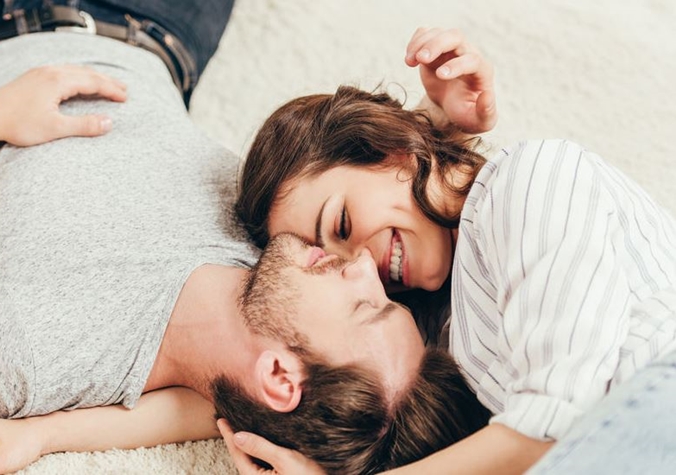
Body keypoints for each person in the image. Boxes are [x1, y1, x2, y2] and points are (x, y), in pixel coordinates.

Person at [0, 5, 490, 475]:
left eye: (366, 306)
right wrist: (447, 123)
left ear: (280, 375)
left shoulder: (20, 358)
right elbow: (212, 406)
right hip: (161, 27)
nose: (365, 269)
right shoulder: (277, 242)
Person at [226, 26, 676, 474]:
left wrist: (425, 130)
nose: (362, 266)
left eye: (342, 225)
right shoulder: (435, 325)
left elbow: (551, 426)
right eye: (327, 262)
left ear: (387, 150)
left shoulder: (532, 178)